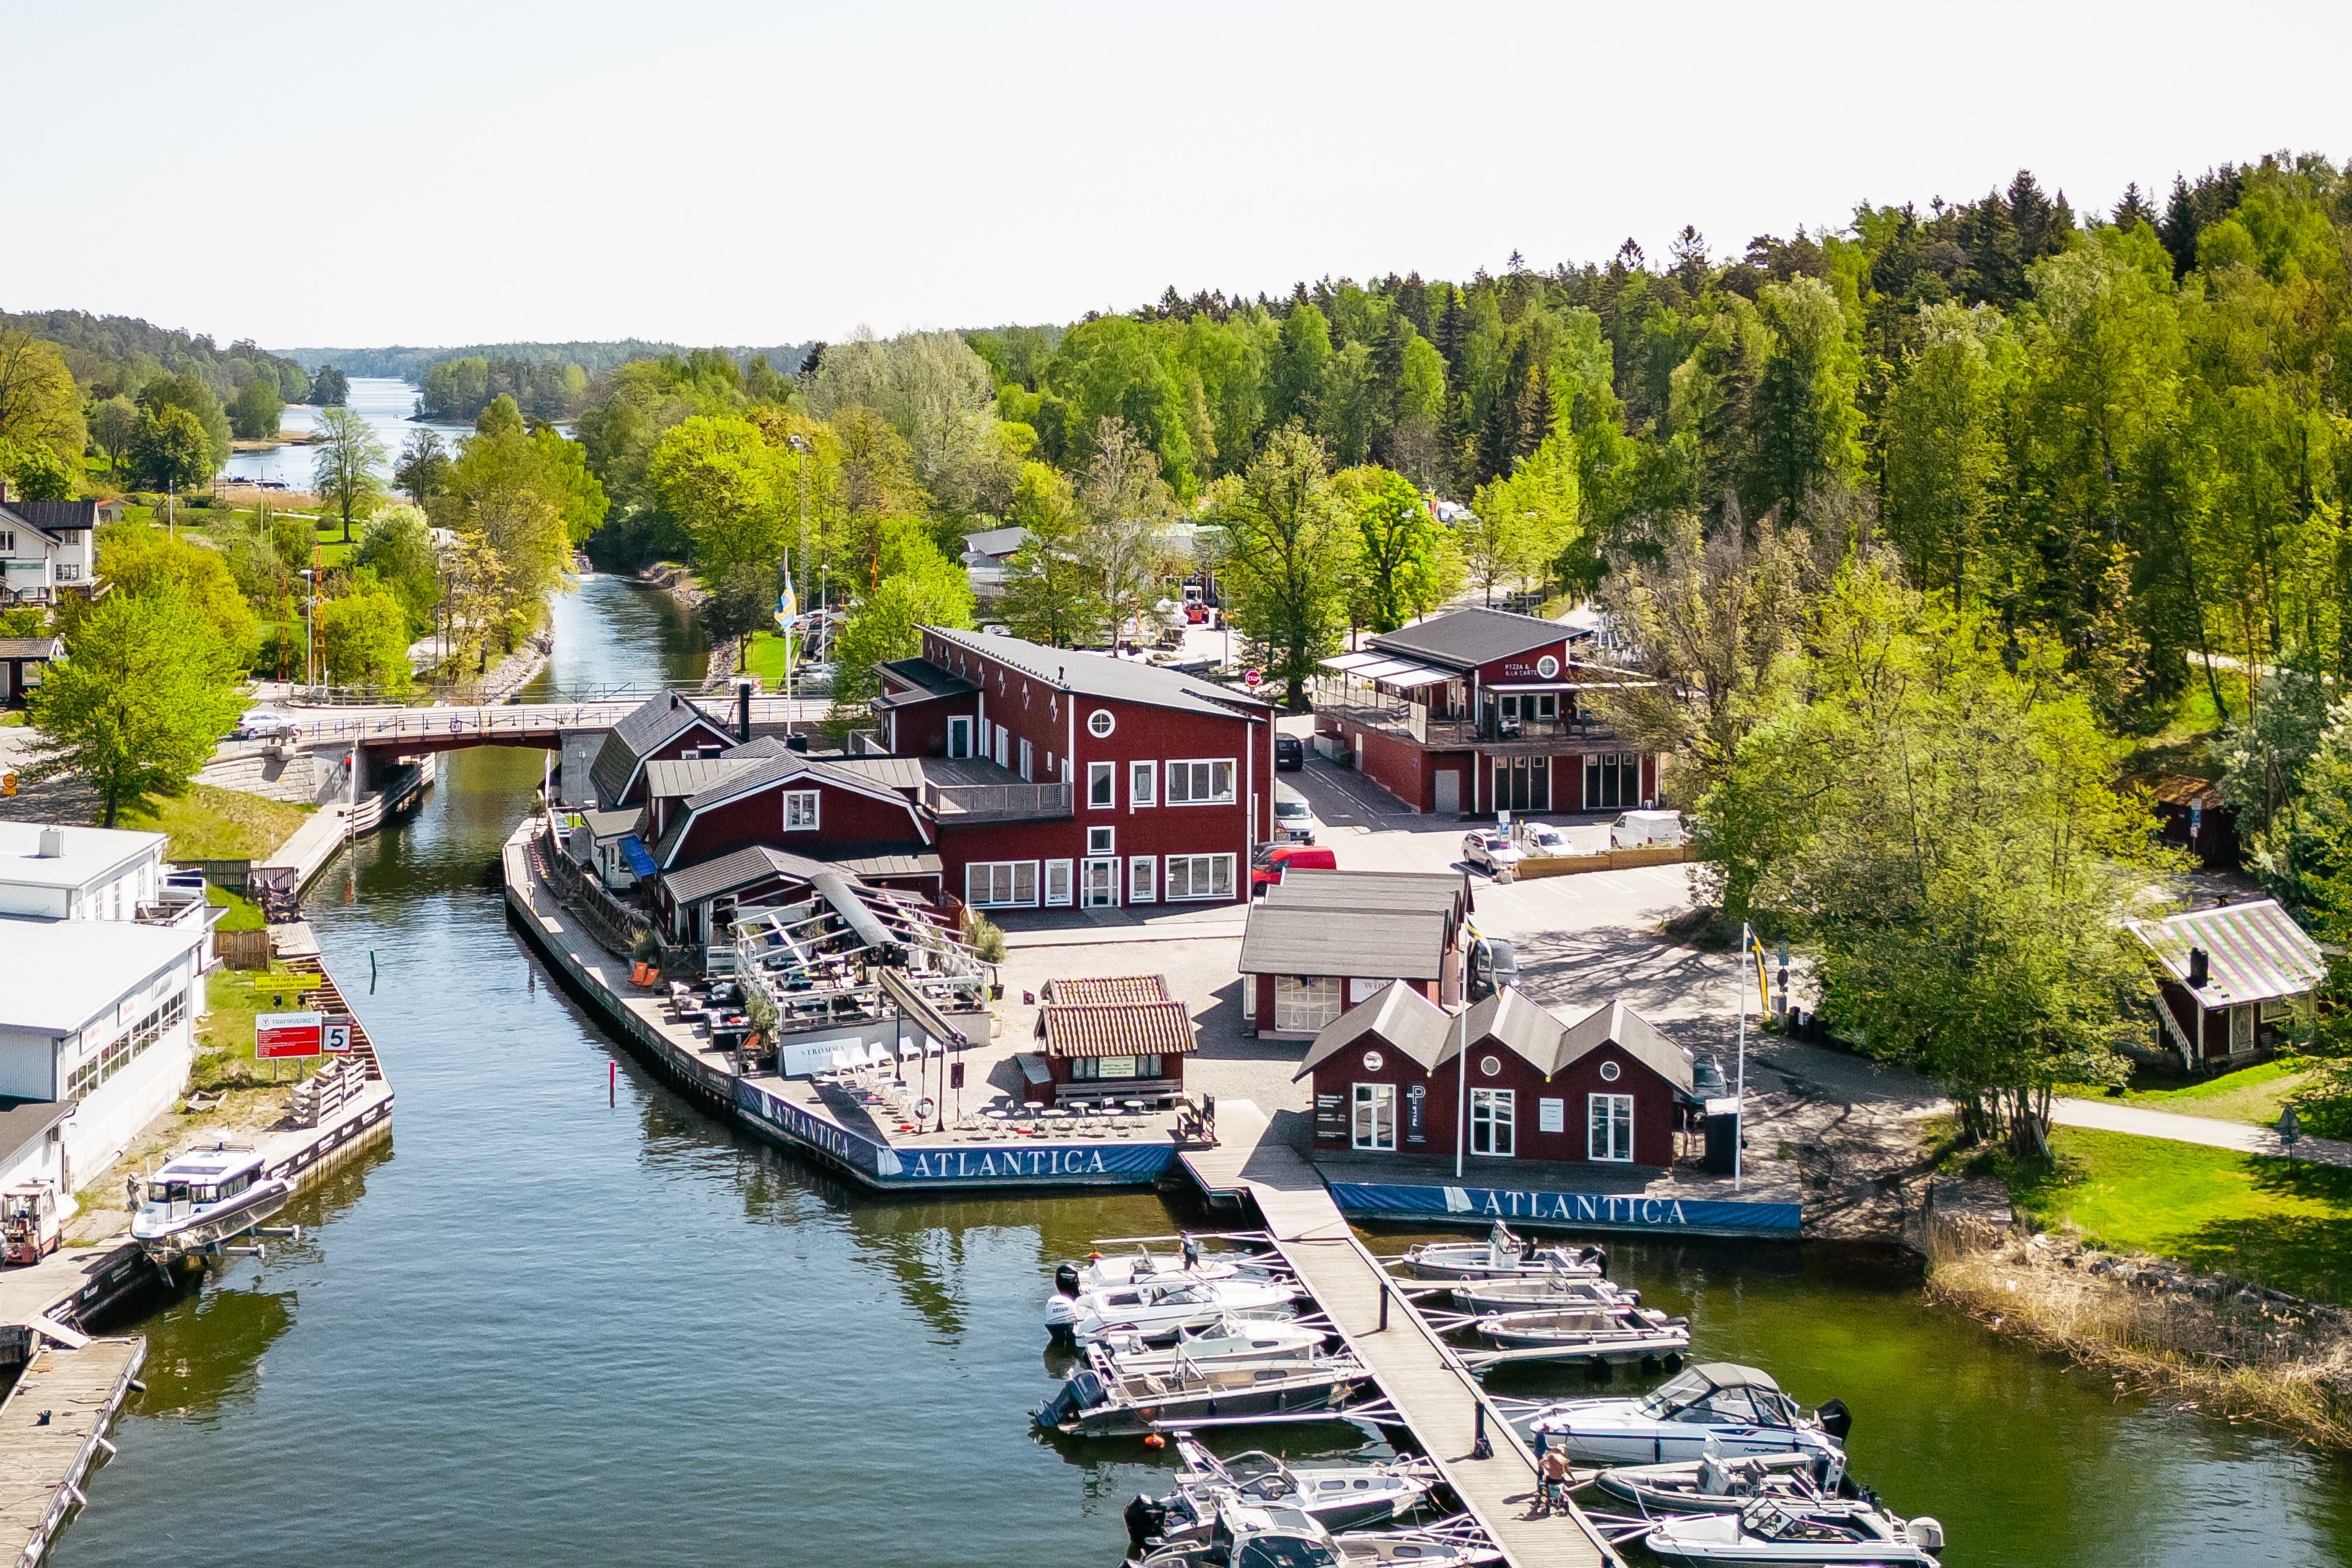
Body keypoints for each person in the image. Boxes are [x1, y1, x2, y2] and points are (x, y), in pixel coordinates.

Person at [1537, 1445, 1571, 1516]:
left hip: (1551, 1479)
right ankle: (1561, 1498)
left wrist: (1543, 1467)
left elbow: (1540, 1462)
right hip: (1560, 1479)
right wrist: (1574, 1479)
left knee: (1545, 1481)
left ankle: (1545, 1495)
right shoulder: (1563, 1459)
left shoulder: (1551, 1457)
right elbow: (1567, 1470)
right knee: (1562, 1487)